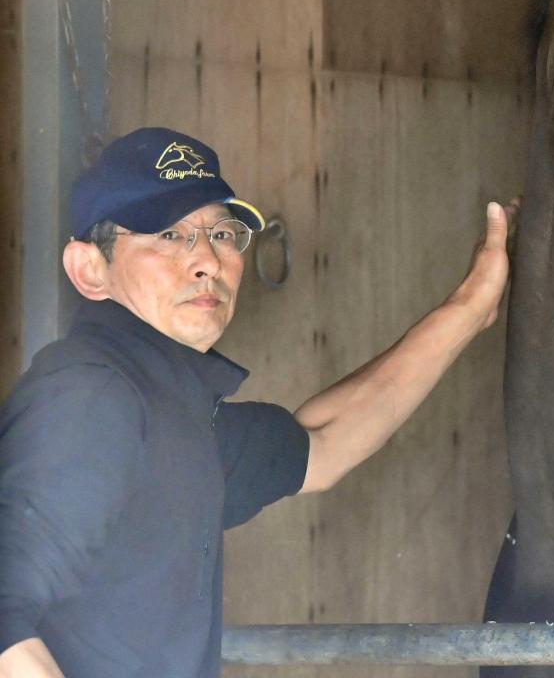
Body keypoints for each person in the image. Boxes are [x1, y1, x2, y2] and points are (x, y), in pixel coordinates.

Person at [0, 127, 515, 678]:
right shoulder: (89, 398)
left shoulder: (173, 411)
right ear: (89, 270)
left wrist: (466, 309)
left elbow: (324, 444)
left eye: (222, 234)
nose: (207, 261)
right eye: (169, 236)